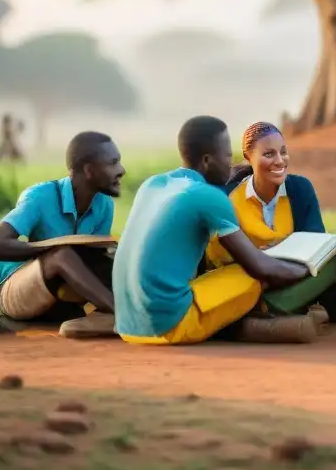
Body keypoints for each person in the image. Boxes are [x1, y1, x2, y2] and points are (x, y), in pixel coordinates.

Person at [113, 116, 314, 346]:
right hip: (168, 326)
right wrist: (304, 270)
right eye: (227, 157)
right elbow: (260, 267)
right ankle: (247, 325)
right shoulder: (210, 197)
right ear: (208, 160)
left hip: (126, 326)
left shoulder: (153, 185)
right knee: (249, 277)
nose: (231, 164)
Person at [0, 131, 123, 325]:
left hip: (58, 290)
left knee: (116, 259)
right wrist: (52, 247)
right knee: (62, 255)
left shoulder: (104, 204)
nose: (121, 170)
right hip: (12, 286)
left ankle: (126, 309)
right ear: (89, 170)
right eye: (113, 163)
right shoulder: (40, 197)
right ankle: (123, 315)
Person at [210, 122, 331, 328]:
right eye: (269, 154)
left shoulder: (300, 189)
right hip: (244, 274)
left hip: (289, 273)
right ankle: (277, 311)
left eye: (283, 152)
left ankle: (261, 312)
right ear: (249, 157)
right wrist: (260, 257)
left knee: (332, 263)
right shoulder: (228, 197)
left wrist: (277, 254)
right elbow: (220, 255)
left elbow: (315, 245)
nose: (279, 161)